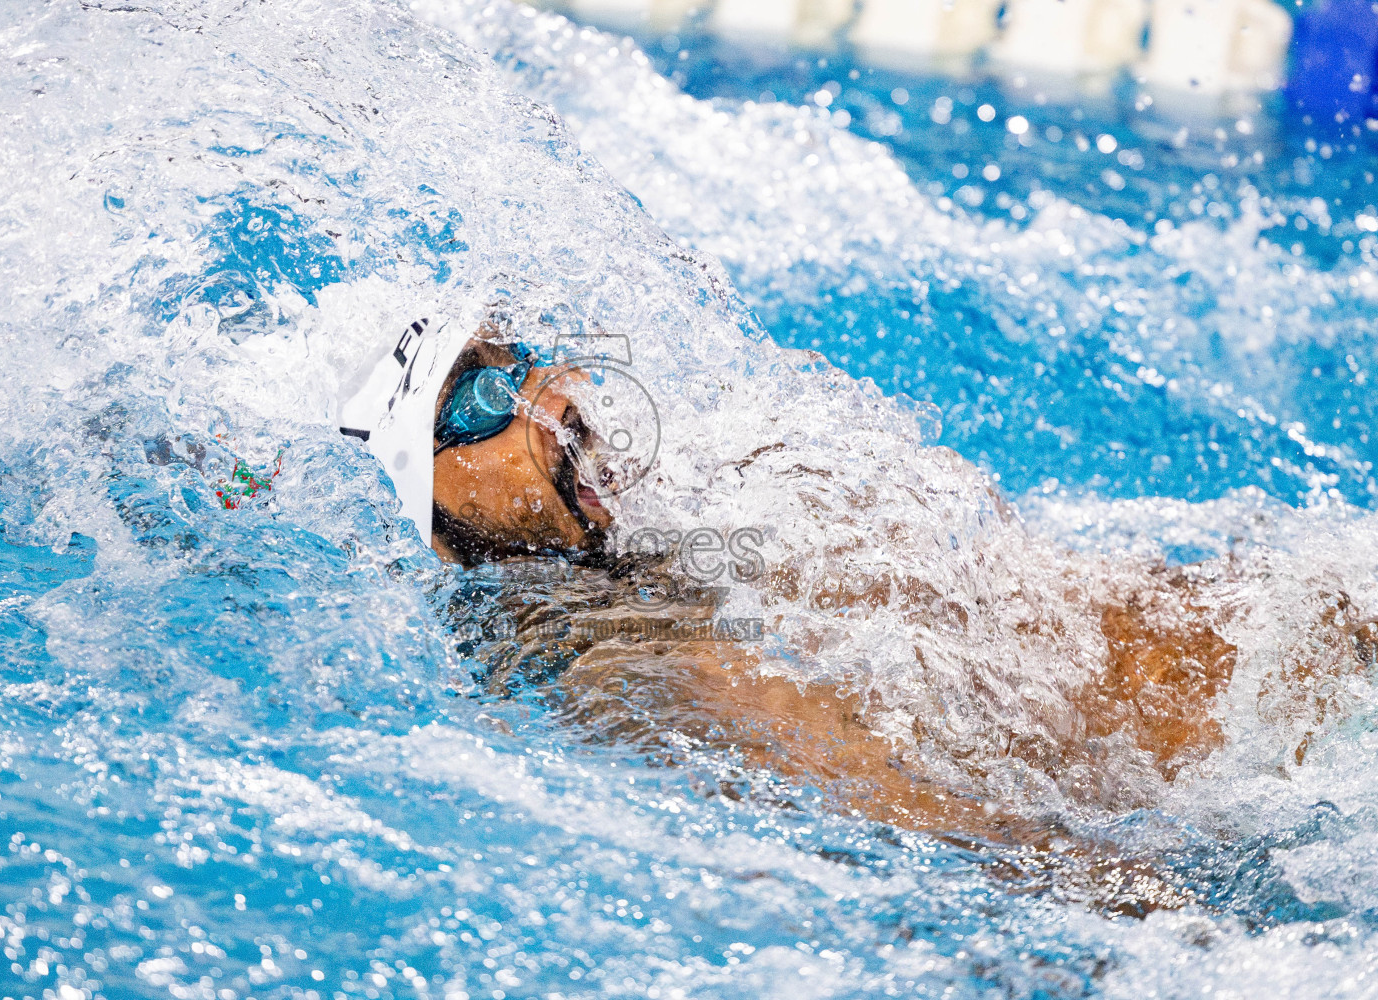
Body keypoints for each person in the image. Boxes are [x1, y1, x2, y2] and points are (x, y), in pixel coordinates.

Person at [338, 316, 1377, 865]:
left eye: (518, 355)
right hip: (1217, 781)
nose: (543, 394)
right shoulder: (608, 653)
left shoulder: (659, 514)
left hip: (1246, 683)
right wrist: (1107, 888)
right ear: (431, 511)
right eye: (476, 397)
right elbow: (868, 784)